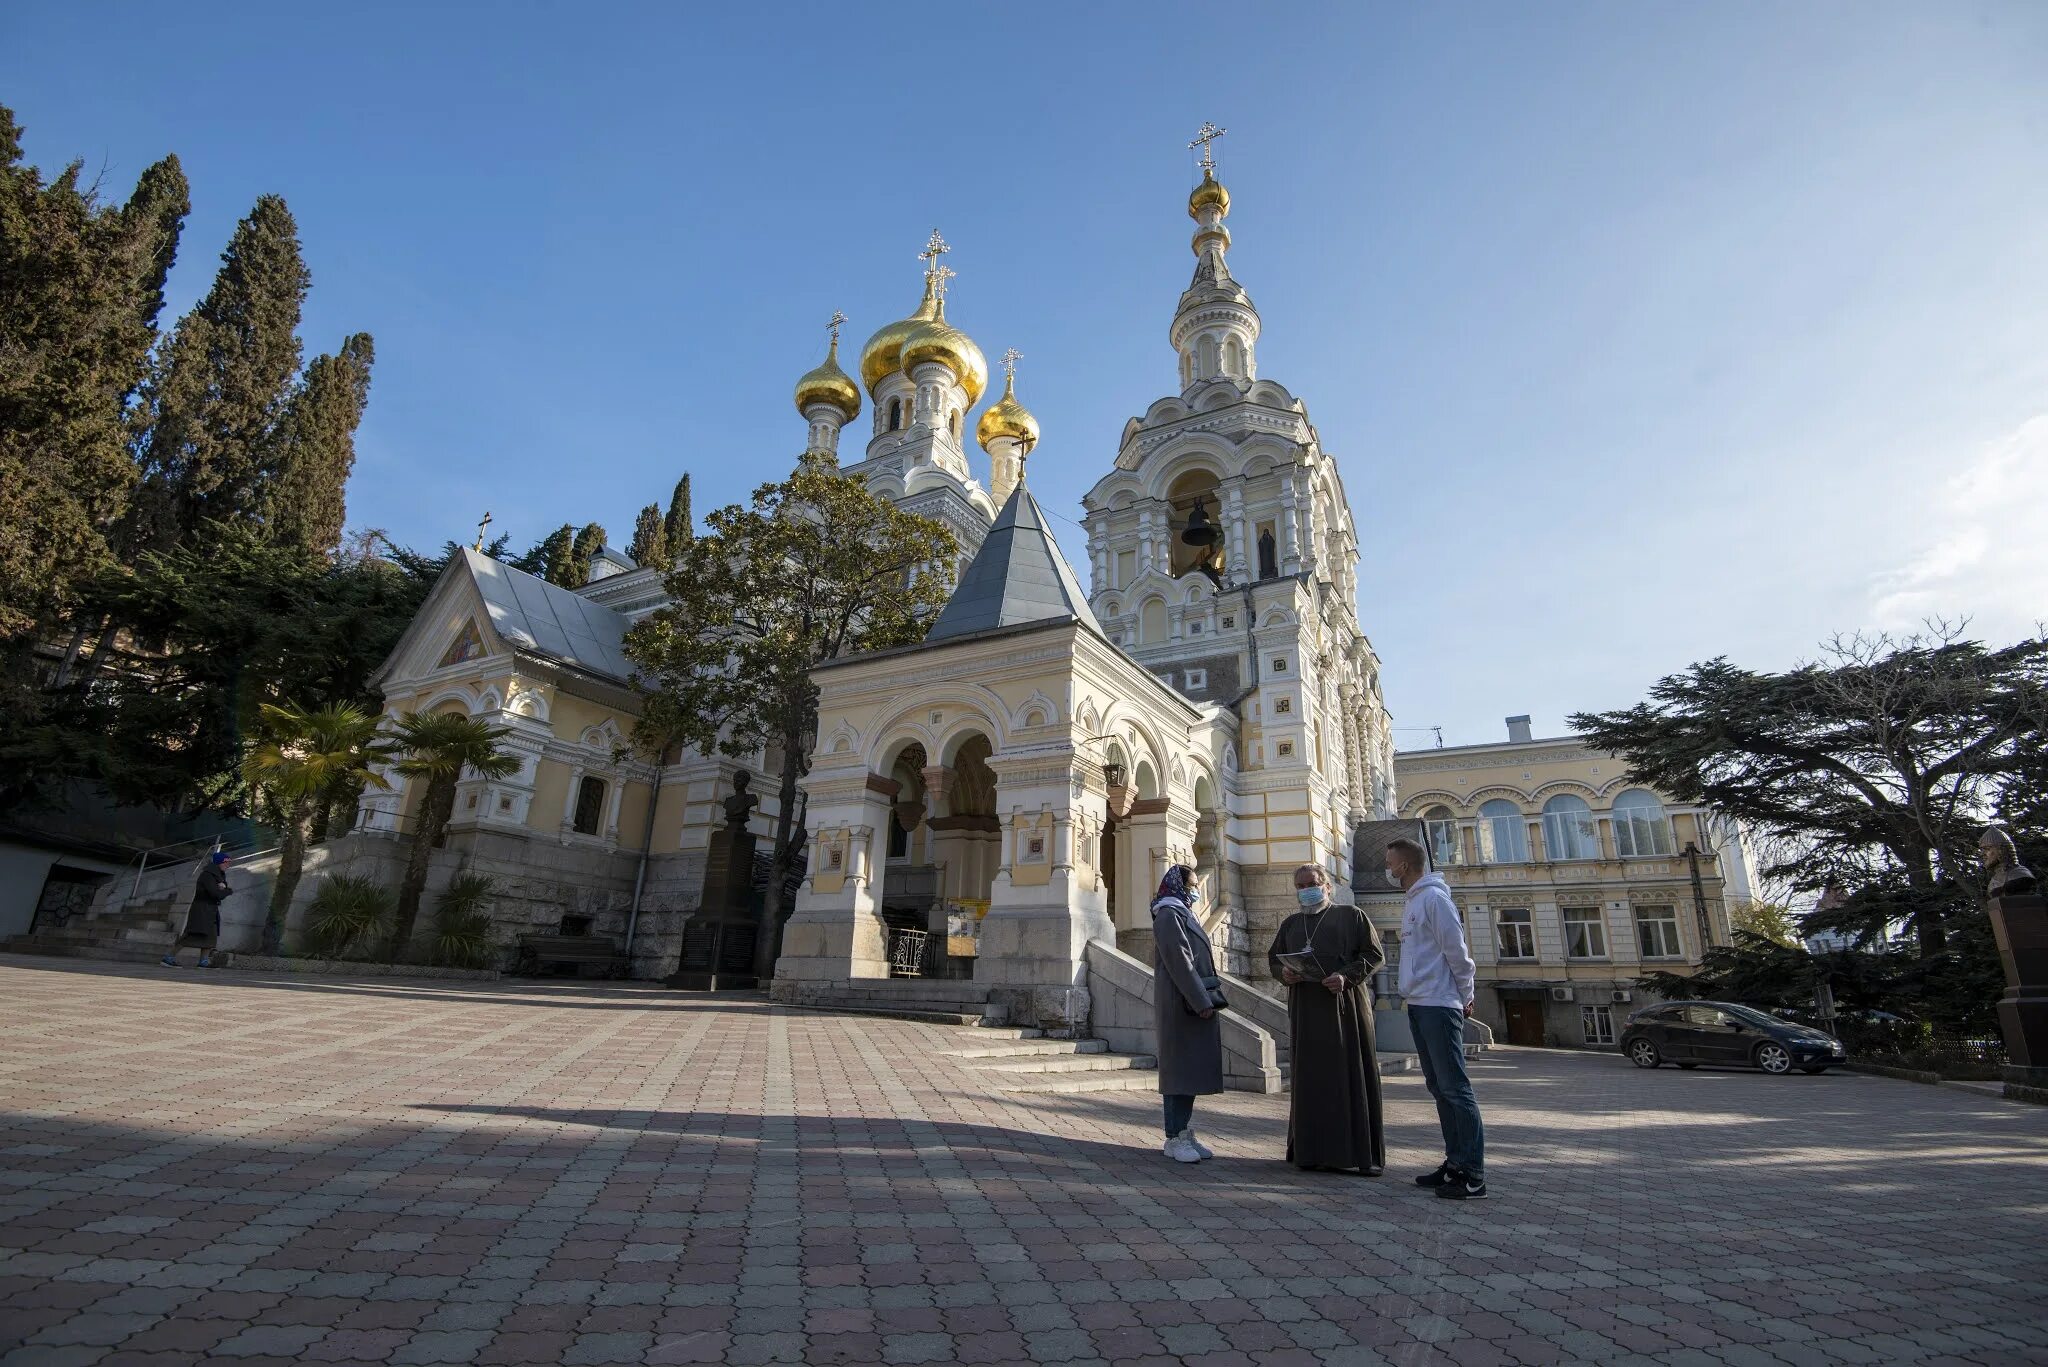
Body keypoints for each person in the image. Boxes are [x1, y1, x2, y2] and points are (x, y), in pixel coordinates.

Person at [1267, 863, 1385, 1175]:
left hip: (1343, 1007)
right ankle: (1311, 1152)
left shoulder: (1352, 916)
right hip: (1305, 1008)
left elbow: (1374, 955)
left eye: (1312, 883)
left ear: (1327, 886)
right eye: (1301, 886)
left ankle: (1355, 1154)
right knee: (1310, 1080)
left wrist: (1346, 976)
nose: (1307, 890)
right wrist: (1286, 974)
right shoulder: (1291, 924)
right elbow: (1274, 960)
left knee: (1347, 1076)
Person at [1386, 836, 1487, 1199]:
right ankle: (1455, 1162)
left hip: (1439, 1003)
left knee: (1456, 1089)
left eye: (1390, 862)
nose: (1387, 869)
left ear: (1406, 866)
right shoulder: (1414, 899)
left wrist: (1466, 995)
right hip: (1419, 1002)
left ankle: (1473, 1174)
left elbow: (1457, 953)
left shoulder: (1434, 898)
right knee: (1439, 1088)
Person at [1151, 863, 1225, 1163]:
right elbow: (1179, 961)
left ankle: (1183, 1129)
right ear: (1180, 886)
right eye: (1192, 885)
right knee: (1179, 1071)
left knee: (1190, 1070)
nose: (1196, 890)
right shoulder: (1168, 914)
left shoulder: (1181, 912)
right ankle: (1173, 1136)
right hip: (1182, 1002)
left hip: (1194, 1001)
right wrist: (1200, 1001)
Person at [163, 851, 231, 969]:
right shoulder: (208, 875)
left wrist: (224, 889)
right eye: (226, 862)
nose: (228, 865)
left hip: (211, 910)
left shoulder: (218, 875)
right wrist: (227, 891)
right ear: (219, 862)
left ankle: (203, 962)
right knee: (192, 935)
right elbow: (215, 893)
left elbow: (218, 892)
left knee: (210, 936)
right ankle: (168, 958)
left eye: (229, 862)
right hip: (202, 909)